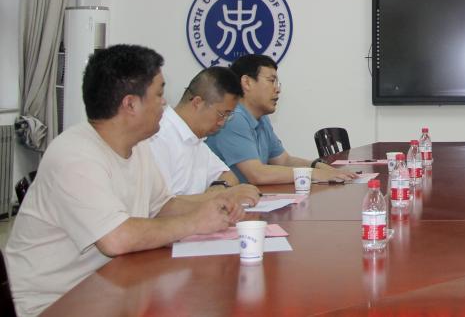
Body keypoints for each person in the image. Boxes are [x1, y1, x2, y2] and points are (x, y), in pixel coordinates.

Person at [4, 45, 239, 317]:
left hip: (111, 287)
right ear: (130, 104)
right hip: (55, 303)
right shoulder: (75, 154)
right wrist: (195, 222)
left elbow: (163, 206)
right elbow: (115, 239)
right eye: (159, 94)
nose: (165, 103)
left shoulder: (138, 147)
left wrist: (217, 206)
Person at [206, 54, 357, 185]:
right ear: (247, 83)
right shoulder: (233, 119)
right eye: (271, 81)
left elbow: (284, 161)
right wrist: (315, 174)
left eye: (277, 83)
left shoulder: (261, 118)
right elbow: (257, 174)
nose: (277, 89)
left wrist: (318, 166)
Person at [147, 66, 260, 205]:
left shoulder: (196, 138)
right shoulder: (157, 136)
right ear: (197, 103)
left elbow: (228, 175)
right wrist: (221, 196)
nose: (222, 123)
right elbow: (161, 206)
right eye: (222, 114)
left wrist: (218, 188)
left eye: (228, 116)